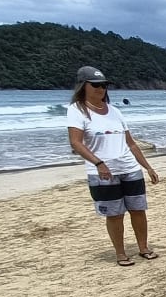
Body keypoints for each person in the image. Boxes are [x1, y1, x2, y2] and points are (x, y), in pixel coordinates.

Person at [66, 66, 160, 266]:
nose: (101, 89)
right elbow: (76, 143)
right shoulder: (77, 111)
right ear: (83, 86)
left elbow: (131, 143)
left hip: (129, 169)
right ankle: (120, 253)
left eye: (104, 85)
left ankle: (143, 248)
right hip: (103, 173)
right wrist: (98, 163)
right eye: (96, 85)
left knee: (138, 210)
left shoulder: (115, 112)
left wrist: (148, 167)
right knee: (115, 214)